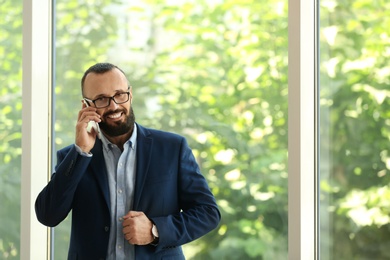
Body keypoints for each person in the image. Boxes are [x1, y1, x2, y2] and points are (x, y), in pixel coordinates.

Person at [35, 62, 221, 260]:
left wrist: (155, 230)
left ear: (130, 95)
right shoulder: (74, 158)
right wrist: (80, 151)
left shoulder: (172, 148)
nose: (114, 105)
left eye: (119, 94)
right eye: (101, 99)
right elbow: (48, 215)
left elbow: (208, 213)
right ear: (87, 106)